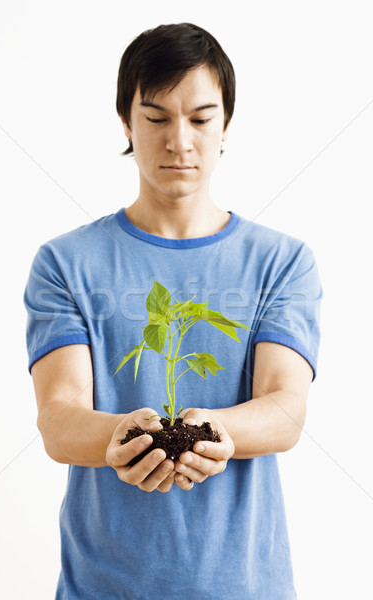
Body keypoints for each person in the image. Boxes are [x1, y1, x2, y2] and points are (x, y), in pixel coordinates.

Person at [24, 22, 322, 600]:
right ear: (127, 124)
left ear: (226, 125)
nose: (179, 141)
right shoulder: (65, 262)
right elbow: (58, 418)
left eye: (201, 119)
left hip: (245, 587)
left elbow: (287, 409)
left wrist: (214, 434)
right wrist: (119, 435)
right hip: (102, 587)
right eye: (157, 118)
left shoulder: (282, 262)